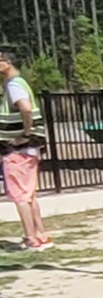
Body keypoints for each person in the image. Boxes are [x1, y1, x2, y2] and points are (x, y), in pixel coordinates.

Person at [0, 49, 51, 251]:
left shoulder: (13, 85)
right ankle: (41, 235)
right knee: (29, 195)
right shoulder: (19, 83)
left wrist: (24, 135)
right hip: (28, 150)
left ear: (7, 63)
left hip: (17, 150)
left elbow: (26, 108)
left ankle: (31, 238)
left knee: (20, 196)